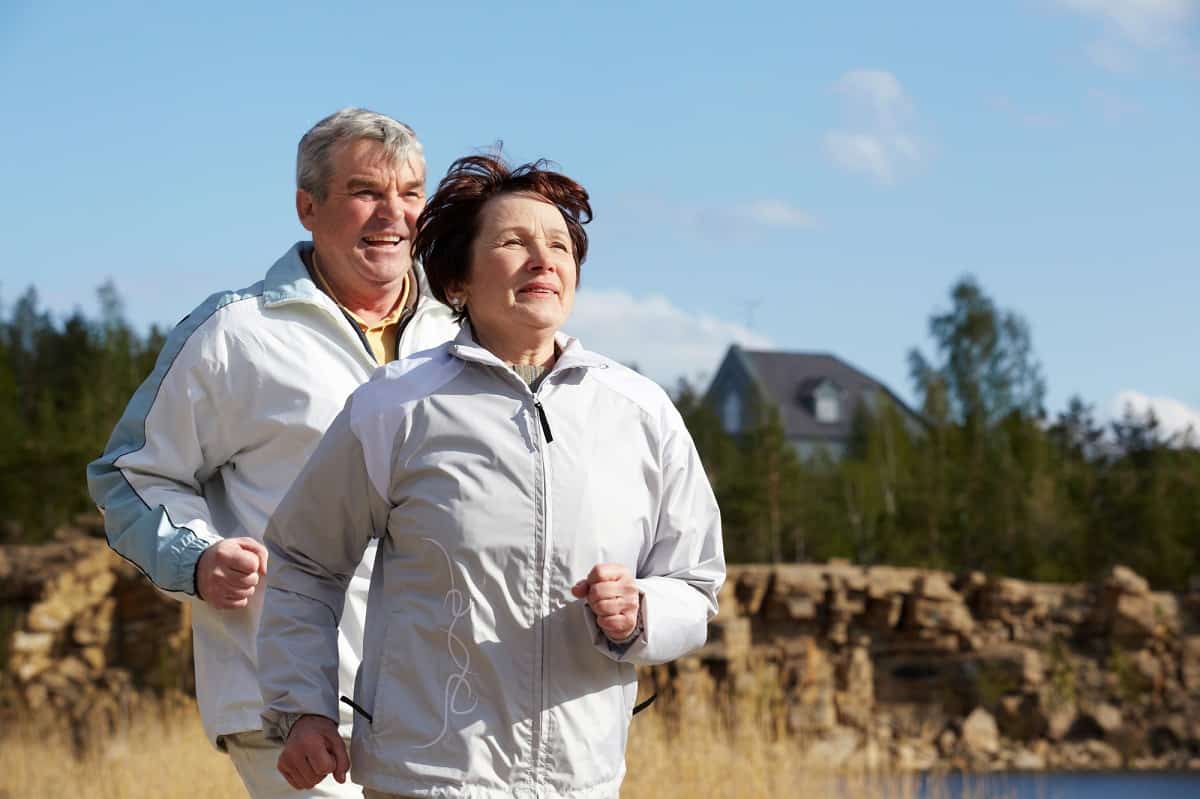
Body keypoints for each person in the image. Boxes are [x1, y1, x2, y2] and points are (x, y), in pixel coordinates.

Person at [257, 154, 726, 798]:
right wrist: (304, 708)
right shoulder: (394, 406)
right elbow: (305, 563)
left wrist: (641, 611)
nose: (544, 260)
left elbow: (696, 584)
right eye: (514, 242)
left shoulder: (642, 413)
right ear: (457, 281)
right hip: (426, 780)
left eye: (559, 245)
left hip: (581, 783)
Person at [86, 108, 459, 798]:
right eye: (365, 192)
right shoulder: (235, 333)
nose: (394, 214)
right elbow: (129, 476)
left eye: (410, 193)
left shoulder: (462, 338)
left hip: (441, 703)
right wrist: (195, 557)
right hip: (287, 705)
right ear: (306, 206)